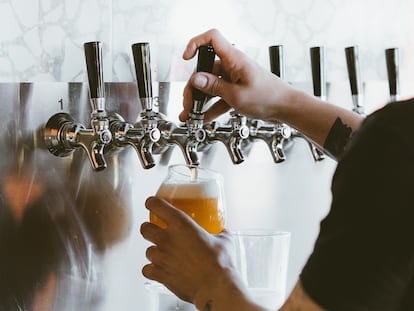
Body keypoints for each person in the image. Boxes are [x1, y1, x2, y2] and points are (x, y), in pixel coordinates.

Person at [140, 29, 414, 310]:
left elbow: (393, 156)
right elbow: (393, 156)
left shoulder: (395, 147)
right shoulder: (395, 147)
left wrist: (208, 284)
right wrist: (283, 102)